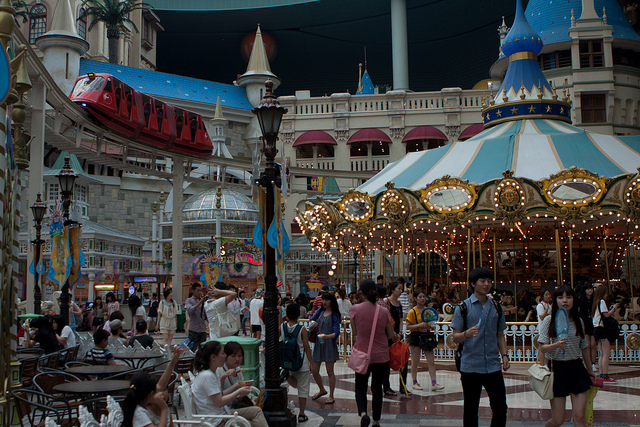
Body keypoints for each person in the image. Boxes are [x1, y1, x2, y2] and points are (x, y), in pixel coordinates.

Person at [451, 267, 509, 427]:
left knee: (500, 406)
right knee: (471, 409)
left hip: (492, 365)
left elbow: (499, 334)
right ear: (473, 283)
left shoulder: (496, 307)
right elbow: (455, 337)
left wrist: (504, 355)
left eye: (489, 281)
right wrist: (466, 334)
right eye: (482, 281)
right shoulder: (463, 308)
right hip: (470, 366)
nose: (487, 284)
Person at [538, 286, 596, 427]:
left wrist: (590, 369)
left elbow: (583, 347)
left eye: (568, 297)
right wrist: (556, 345)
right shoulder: (549, 321)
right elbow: (542, 347)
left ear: (573, 300)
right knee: (558, 420)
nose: (565, 301)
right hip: (557, 370)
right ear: (555, 300)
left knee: (580, 417)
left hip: (576, 368)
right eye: (560, 297)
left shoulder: (579, 321)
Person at [350, 279, 398, 427]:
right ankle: (376, 420)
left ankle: (363, 414)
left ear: (362, 293)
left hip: (362, 354)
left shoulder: (355, 309)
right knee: (377, 388)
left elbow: (355, 332)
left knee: (360, 386)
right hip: (381, 355)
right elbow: (390, 334)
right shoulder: (383, 311)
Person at [191, 341, 268, 426]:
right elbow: (219, 402)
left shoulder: (212, 374)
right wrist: (238, 392)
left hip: (223, 415)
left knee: (257, 411)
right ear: (213, 357)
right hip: (216, 421)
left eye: (239, 355)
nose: (225, 356)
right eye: (223, 353)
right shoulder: (207, 376)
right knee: (252, 422)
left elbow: (220, 395)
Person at [122, 347, 183, 427]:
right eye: (156, 391)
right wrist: (164, 408)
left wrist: (172, 363)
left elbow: (161, 385)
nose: (160, 392)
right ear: (150, 394)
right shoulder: (139, 413)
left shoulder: (138, 407)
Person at [280, 303, 313, 423]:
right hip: (301, 363)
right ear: (299, 314)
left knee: (294, 381)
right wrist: (311, 363)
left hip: (287, 362)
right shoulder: (302, 329)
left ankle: (287, 375)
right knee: (303, 388)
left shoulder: (282, 327)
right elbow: (307, 347)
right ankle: (302, 414)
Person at [406, 289, 443, 392]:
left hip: (426, 336)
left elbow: (431, 323)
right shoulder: (412, 311)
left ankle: (434, 382)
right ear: (415, 299)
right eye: (420, 297)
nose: (422, 299)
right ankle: (414, 381)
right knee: (415, 361)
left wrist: (432, 327)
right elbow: (408, 326)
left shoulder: (428, 311)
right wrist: (420, 325)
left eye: (423, 297)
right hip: (416, 336)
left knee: (431, 361)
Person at [309, 291, 340, 405]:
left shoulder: (335, 315)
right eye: (323, 300)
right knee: (314, 370)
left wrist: (327, 336)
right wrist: (312, 325)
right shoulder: (320, 311)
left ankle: (331, 395)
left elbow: (336, 332)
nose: (324, 302)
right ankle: (322, 389)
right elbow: (311, 319)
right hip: (319, 344)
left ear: (332, 301)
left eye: (327, 300)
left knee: (330, 371)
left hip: (329, 345)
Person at [592, 284, 619, 384]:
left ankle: (602, 373)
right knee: (606, 353)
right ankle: (605, 375)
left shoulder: (595, 302)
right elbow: (606, 314)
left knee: (602, 353)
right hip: (601, 329)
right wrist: (614, 308)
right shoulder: (602, 301)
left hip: (596, 329)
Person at [387, 281, 410, 395]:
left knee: (403, 359)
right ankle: (386, 386)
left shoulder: (399, 304)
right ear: (392, 290)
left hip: (398, 335)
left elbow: (401, 320)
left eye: (401, 289)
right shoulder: (387, 302)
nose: (401, 291)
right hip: (389, 335)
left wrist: (400, 332)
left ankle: (403, 385)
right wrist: (393, 333)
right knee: (387, 361)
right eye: (398, 289)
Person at [578, 283, 597, 373]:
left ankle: (593, 362)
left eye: (591, 289)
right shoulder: (581, 300)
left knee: (593, 344)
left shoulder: (595, 300)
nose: (590, 291)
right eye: (588, 289)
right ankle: (587, 362)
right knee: (587, 344)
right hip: (585, 322)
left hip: (593, 321)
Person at [185, 283, 208, 349]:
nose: (199, 292)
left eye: (200, 290)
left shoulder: (203, 301)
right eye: (198, 290)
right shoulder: (189, 300)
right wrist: (200, 302)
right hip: (194, 329)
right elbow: (191, 310)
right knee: (192, 348)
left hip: (203, 329)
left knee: (202, 349)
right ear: (193, 290)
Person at [536, 290, 552, 365]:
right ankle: (542, 364)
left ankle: (546, 363)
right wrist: (546, 309)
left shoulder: (549, 305)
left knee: (548, 347)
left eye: (549, 294)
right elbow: (541, 317)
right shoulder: (540, 306)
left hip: (549, 328)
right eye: (546, 295)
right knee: (543, 347)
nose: (548, 296)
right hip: (543, 328)